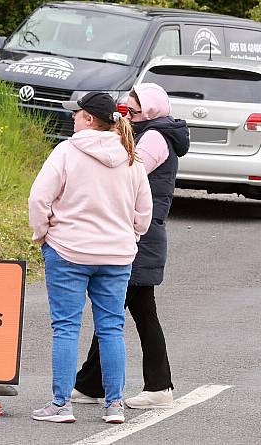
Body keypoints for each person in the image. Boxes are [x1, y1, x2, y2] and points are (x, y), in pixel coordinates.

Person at [28, 92, 152, 424]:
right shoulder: (131, 157)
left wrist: (43, 234)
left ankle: (60, 404)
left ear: (88, 119)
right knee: (112, 327)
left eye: (77, 113)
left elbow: (40, 197)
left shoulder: (67, 152)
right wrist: (131, 235)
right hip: (117, 253)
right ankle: (114, 405)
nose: (72, 118)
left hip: (68, 249)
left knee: (66, 327)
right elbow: (144, 211)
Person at [71, 83, 189, 409]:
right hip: (141, 235)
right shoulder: (152, 132)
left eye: (133, 111)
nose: (128, 116)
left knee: (114, 312)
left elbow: (126, 167)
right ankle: (144, 385)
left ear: (149, 111)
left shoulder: (155, 138)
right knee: (137, 312)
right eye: (125, 111)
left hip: (141, 237)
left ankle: (100, 384)